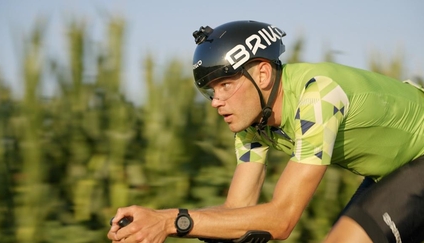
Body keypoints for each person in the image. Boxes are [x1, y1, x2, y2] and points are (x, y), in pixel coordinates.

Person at [107, 20, 424, 243]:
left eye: (226, 85)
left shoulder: (318, 96)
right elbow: (237, 211)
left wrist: (171, 221)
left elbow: (282, 219)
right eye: (210, 92)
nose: (217, 102)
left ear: (262, 74)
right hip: (394, 171)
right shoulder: (253, 126)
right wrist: (156, 218)